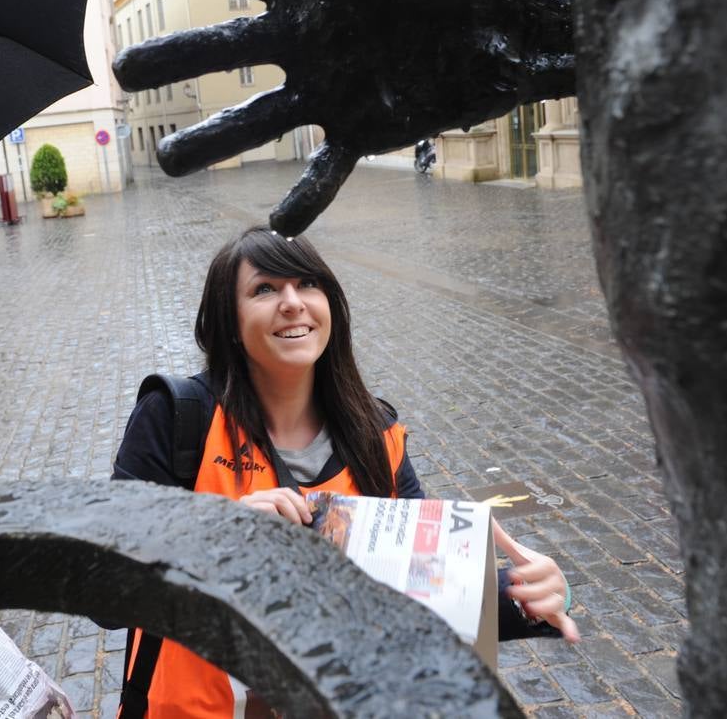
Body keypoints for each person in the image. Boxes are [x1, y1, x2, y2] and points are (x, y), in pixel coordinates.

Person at [112, 226, 578, 718]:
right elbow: (108, 595)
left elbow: (426, 596)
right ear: (230, 320)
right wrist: (221, 537)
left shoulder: (376, 437)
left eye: (307, 284)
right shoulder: (177, 419)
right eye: (264, 289)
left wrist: (529, 597)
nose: (292, 302)